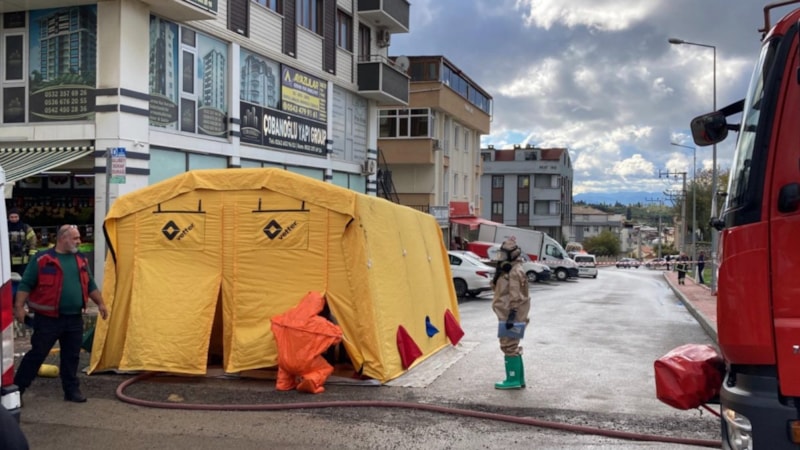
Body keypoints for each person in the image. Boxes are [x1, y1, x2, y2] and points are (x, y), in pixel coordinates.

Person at [13, 224, 108, 403]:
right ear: (62, 238)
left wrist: (101, 303)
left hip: (74, 318)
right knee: (38, 354)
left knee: (71, 356)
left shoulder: (81, 259)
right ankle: (17, 391)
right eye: (75, 238)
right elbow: (26, 284)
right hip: (48, 319)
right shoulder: (43, 259)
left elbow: (90, 284)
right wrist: (19, 307)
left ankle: (71, 391)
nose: (79, 241)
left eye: (79, 238)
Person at [490, 238, 530, 390]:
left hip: (510, 315)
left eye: (503, 254)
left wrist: (512, 316)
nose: (501, 258)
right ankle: (518, 379)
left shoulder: (514, 272)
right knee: (513, 345)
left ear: (511, 255)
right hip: (512, 314)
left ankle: (512, 379)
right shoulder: (514, 269)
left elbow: (515, 296)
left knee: (508, 345)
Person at [7, 208, 37, 276]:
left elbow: (33, 241)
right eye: (11, 217)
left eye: (16, 217)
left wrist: (32, 255)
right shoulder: (4, 228)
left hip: (23, 261)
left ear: (19, 217)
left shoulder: (26, 228)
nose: (14, 219)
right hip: (7, 262)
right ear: (8, 218)